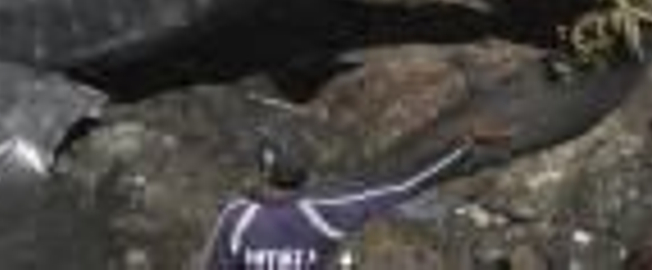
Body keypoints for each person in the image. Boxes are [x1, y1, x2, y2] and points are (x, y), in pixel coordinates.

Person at [200, 133, 492, 270]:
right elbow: (404, 185)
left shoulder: (237, 216)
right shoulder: (330, 209)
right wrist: (463, 147)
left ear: (264, 172)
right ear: (306, 174)